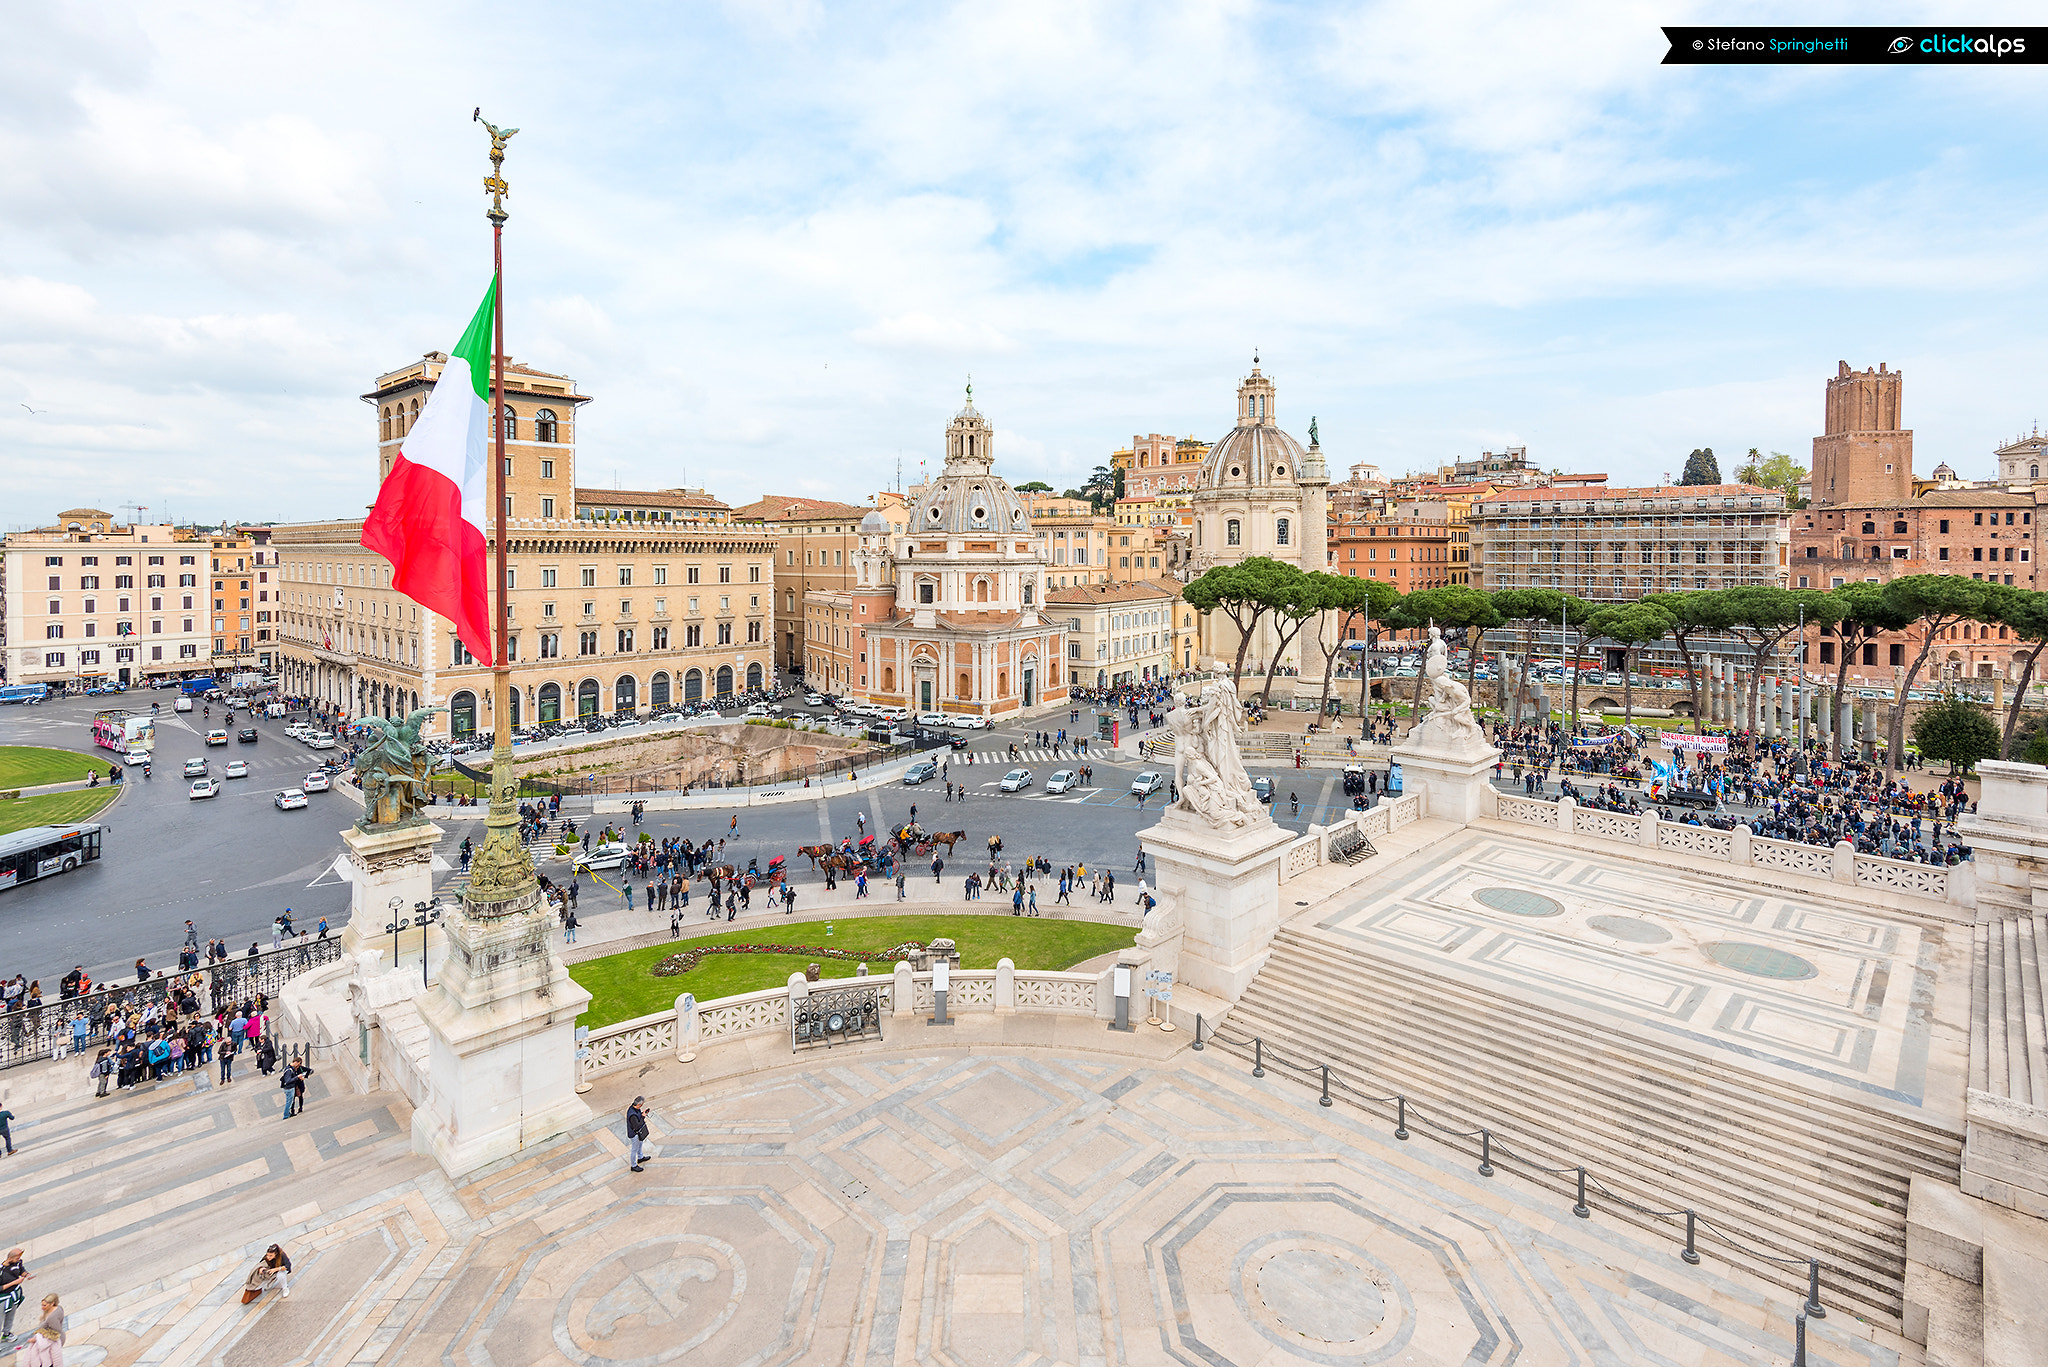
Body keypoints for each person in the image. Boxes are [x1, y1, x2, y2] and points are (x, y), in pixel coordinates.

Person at [18, 1293, 62, 1367]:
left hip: (49, 1344)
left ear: (52, 1303)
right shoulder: (58, 1308)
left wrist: (37, 1339)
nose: (42, 1307)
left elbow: (55, 1334)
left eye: (44, 1305)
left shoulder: (52, 1318)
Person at [0, 1248, 30, 1341]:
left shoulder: (17, 1263)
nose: (19, 1260)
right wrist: (15, 1282)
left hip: (14, 1294)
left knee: (10, 1315)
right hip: (3, 1297)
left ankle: (6, 1333)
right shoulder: (1, 1271)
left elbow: (21, 1269)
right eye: (17, 1258)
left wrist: (26, 1274)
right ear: (10, 1259)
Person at [625, 1096, 650, 1172]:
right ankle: (633, 1165)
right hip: (634, 1134)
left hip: (638, 1133)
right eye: (641, 1105)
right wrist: (643, 1117)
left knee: (640, 1144)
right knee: (634, 1149)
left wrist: (642, 1114)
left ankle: (640, 1157)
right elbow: (637, 1126)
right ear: (639, 1104)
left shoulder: (635, 1108)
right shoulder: (632, 1114)